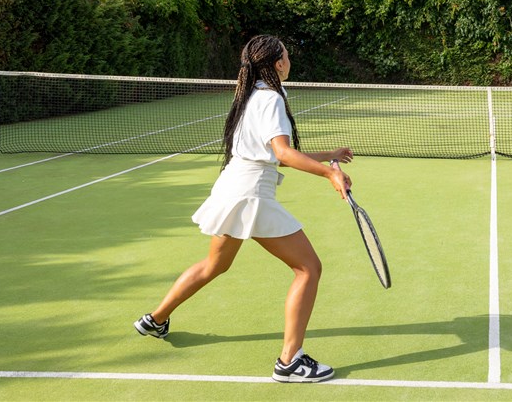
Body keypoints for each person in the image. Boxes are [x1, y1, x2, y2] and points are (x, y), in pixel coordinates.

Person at [133, 34, 353, 384]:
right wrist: (329, 174)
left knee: (213, 265)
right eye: (286, 55)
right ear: (277, 63)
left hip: (231, 189)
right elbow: (281, 154)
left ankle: (155, 319)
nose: (289, 60)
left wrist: (328, 157)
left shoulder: (250, 97)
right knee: (308, 268)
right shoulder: (270, 100)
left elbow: (270, 155)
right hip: (250, 196)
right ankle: (290, 362)